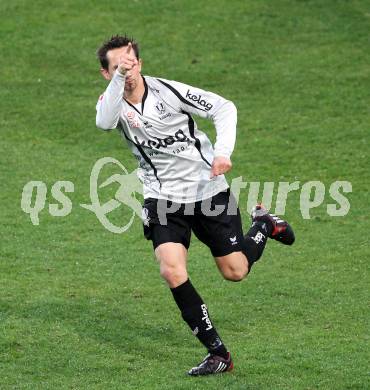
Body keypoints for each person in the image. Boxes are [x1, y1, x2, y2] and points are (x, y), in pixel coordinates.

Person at [95, 35, 295, 376]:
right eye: (117, 67)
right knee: (171, 270)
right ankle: (219, 354)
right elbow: (104, 121)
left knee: (235, 271)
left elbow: (224, 107)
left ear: (141, 64)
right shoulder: (111, 101)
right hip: (162, 198)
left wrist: (223, 152)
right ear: (106, 72)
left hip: (207, 191)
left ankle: (263, 225)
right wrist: (118, 79)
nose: (126, 71)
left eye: (130, 64)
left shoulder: (168, 91)